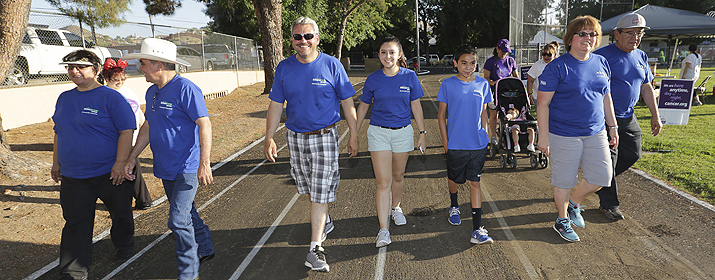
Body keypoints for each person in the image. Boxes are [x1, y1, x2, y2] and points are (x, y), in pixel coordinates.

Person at [263, 17, 359, 272]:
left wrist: (354, 133)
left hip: (325, 137)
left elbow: (348, 103)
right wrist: (269, 136)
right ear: (292, 40)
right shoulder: (284, 68)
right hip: (295, 138)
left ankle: (315, 248)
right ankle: (324, 219)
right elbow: (275, 105)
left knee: (320, 190)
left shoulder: (332, 65)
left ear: (317, 38)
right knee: (308, 188)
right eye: (297, 37)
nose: (302, 41)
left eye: (308, 36)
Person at [122, 38, 215, 280]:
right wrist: (133, 157)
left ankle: (188, 272)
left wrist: (204, 162)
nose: (140, 68)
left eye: (143, 63)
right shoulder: (152, 91)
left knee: (177, 220)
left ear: (158, 65)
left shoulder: (186, 88)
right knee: (186, 212)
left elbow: (204, 124)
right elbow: (149, 125)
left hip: (187, 166)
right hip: (165, 167)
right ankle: (205, 246)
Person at [51, 50, 136, 279]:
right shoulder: (64, 98)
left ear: (96, 70)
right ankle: (72, 271)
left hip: (109, 173)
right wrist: (56, 162)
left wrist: (120, 163)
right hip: (74, 176)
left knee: (121, 214)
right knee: (75, 223)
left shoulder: (111, 97)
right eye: (70, 67)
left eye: (81, 67)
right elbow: (59, 131)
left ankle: (123, 243)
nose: (74, 71)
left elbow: (126, 131)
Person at [537, 15, 619, 242]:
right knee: (563, 181)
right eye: (582, 33)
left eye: (592, 34)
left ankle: (574, 204)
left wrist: (613, 126)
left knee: (603, 177)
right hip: (564, 134)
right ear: (570, 38)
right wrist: (543, 137)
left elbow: (606, 96)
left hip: (596, 131)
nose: (588, 38)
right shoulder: (557, 67)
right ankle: (562, 220)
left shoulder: (601, 62)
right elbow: (542, 103)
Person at [355, 36, 427, 248]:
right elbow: (363, 107)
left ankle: (396, 207)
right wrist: (353, 134)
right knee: (383, 182)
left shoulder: (410, 77)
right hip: (379, 133)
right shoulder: (373, 79)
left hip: (403, 133)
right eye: (383, 52)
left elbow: (416, 107)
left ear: (400, 54)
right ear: (379, 55)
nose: (388, 56)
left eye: (392, 52)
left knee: (398, 175)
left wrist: (422, 132)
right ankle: (383, 230)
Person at [593, 12, 663, 221]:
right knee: (609, 161)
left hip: (628, 116)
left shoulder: (641, 56)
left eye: (639, 33)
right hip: (605, 118)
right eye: (630, 33)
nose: (635, 38)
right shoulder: (602, 56)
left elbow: (647, 86)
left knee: (633, 153)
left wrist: (655, 115)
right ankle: (609, 204)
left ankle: (599, 181)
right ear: (617, 34)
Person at [437, 45, 494, 245]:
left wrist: (485, 133)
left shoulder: (483, 84)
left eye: (472, 63)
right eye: (463, 63)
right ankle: (454, 205)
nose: (468, 67)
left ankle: (477, 230)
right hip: (455, 144)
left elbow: (484, 111)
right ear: (455, 63)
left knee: (475, 183)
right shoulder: (447, 84)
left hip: (477, 144)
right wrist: (446, 143)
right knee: (454, 179)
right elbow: (441, 115)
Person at [101, 58, 155, 211]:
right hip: (117, 139)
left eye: (122, 79)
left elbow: (137, 111)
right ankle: (142, 199)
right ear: (106, 78)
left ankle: (141, 199)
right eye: (115, 80)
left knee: (131, 167)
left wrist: (145, 126)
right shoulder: (105, 94)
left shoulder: (128, 91)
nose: (120, 82)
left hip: (134, 136)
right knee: (128, 168)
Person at [483, 39, 519, 145]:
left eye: (506, 51)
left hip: (507, 92)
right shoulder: (490, 62)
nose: (504, 53)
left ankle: (505, 134)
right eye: (502, 50)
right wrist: (493, 82)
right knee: (494, 114)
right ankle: (493, 136)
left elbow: (516, 76)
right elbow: (486, 78)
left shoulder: (511, 60)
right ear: (497, 49)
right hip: (494, 91)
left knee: (507, 113)